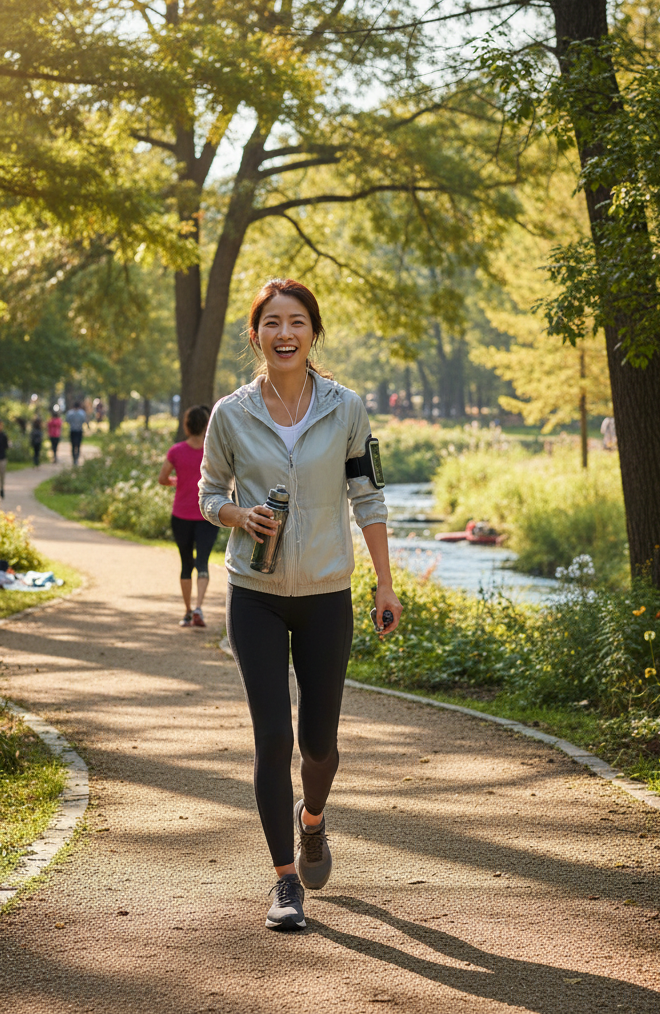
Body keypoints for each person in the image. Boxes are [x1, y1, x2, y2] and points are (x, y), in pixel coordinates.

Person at [199, 278, 402, 932]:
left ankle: (311, 820)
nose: (284, 334)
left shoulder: (346, 409)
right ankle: (285, 881)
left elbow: (368, 497)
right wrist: (237, 514)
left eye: (296, 322)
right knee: (273, 736)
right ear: (256, 334)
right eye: (272, 323)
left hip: (325, 593)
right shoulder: (231, 413)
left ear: (313, 332)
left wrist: (385, 583)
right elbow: (207, 493)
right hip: (254, 595)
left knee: (318, 745)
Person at [158, 405, 219, 628]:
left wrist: (177, 481)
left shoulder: (176, 451)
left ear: (186, 426)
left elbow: (162, 478)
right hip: (207, 516)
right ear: (206, 426)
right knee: (202, 563)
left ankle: (187, 611)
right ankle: (199, 608)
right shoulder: (212, 452)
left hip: (181, 516)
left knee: (186, 564)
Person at [65, 401, 88, 465]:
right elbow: (84, 420)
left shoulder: (70, 413)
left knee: (73, 445)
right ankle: (77, 457)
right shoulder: (82, 413)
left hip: (72, 430)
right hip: (79, 430)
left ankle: (74, 458)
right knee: (78, 445)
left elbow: (67, 420)